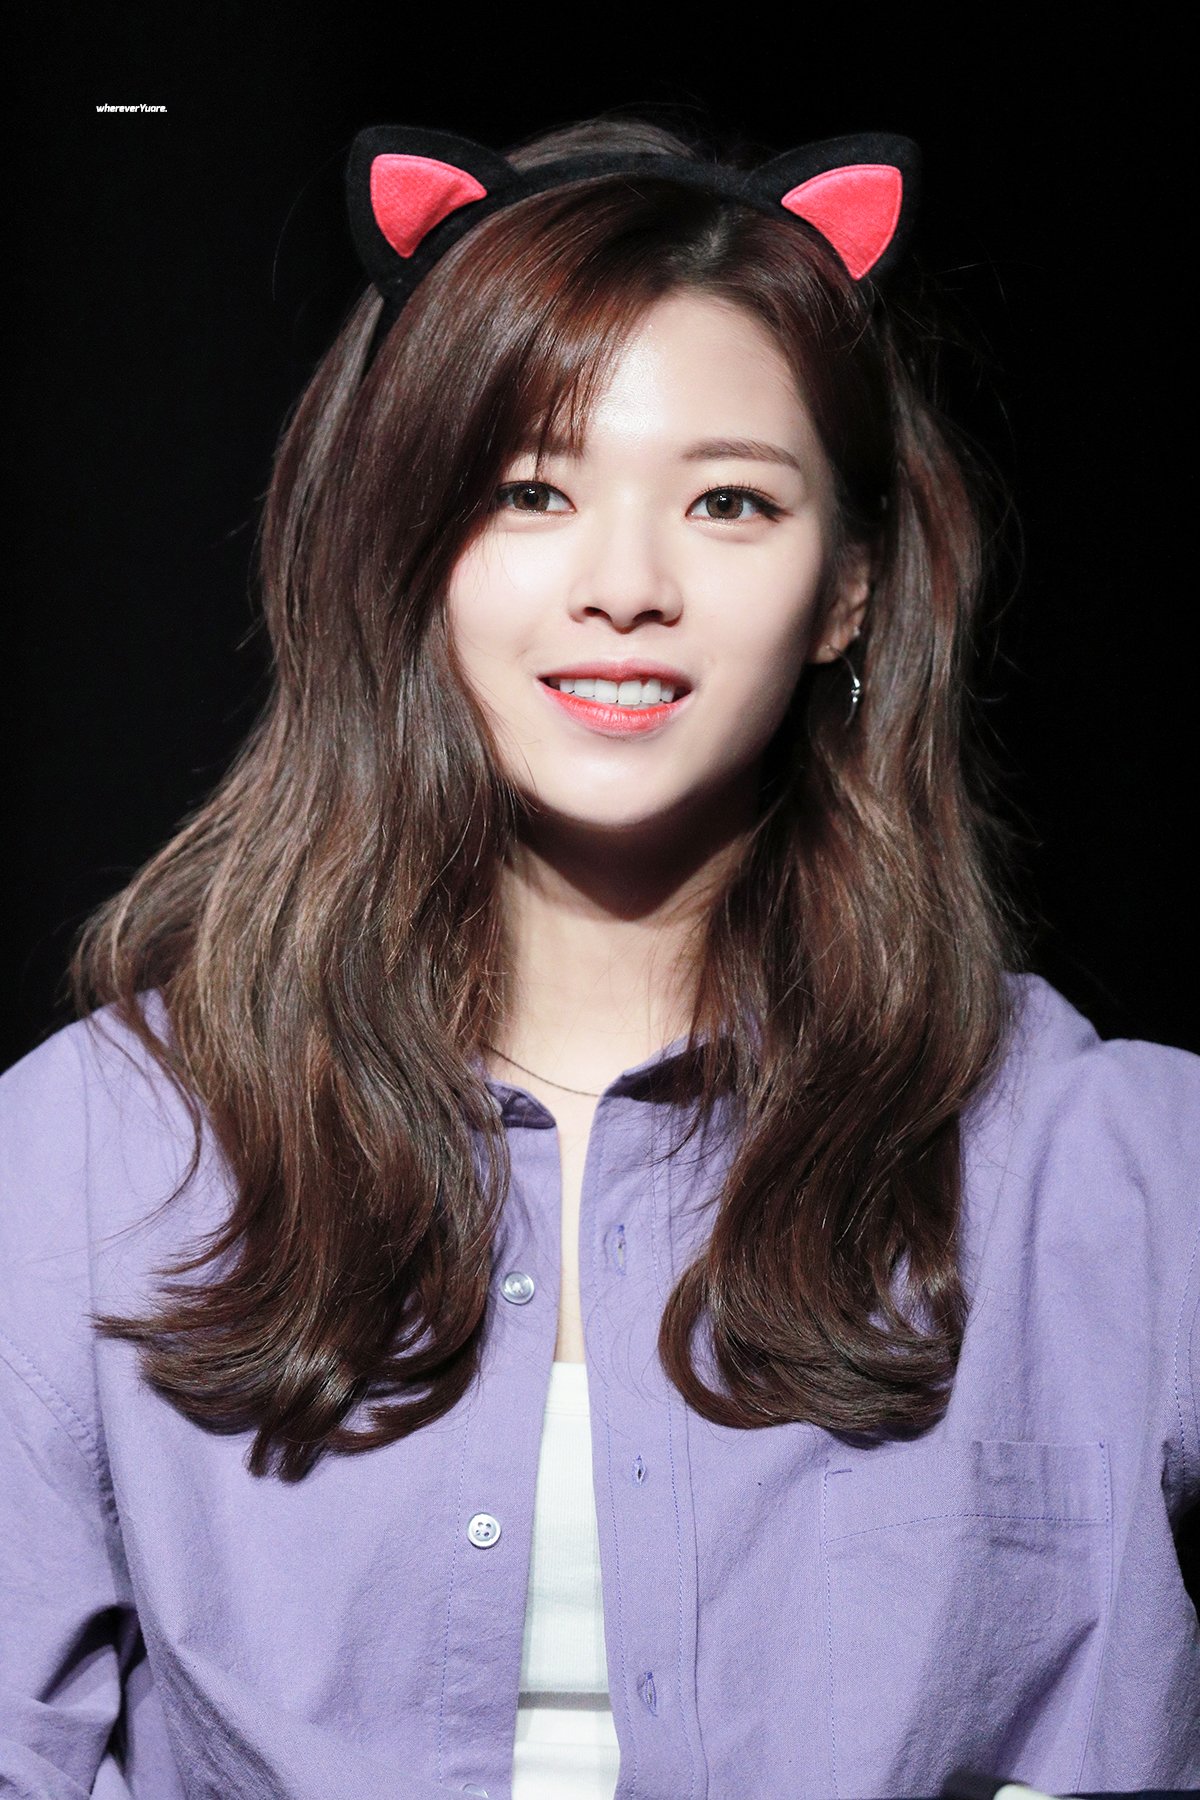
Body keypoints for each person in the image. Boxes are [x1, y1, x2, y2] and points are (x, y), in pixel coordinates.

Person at [1, 111, 1197, 1800]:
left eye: (728, 500)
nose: (625, 585)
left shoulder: (1105, 1166)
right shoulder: (100, 1152)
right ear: (400, 548)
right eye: (530, 492)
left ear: (848, 590)